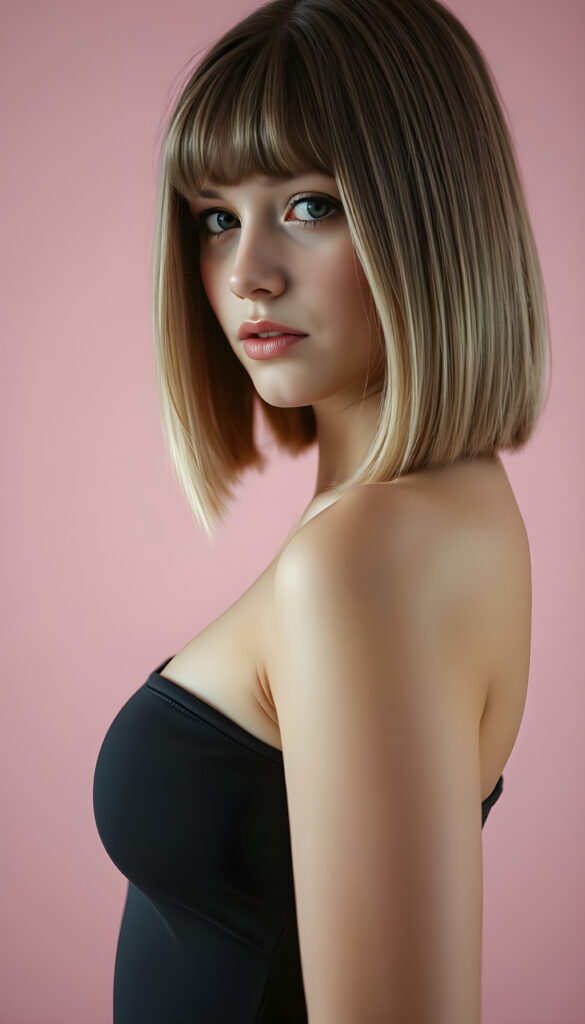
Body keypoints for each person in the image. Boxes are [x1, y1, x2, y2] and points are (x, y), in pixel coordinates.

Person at [93, 1, 550, 1021]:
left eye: (308, 205)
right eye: (217, 216)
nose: (246, 273)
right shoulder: (440, 518)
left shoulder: (367, 555)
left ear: (431, 216)